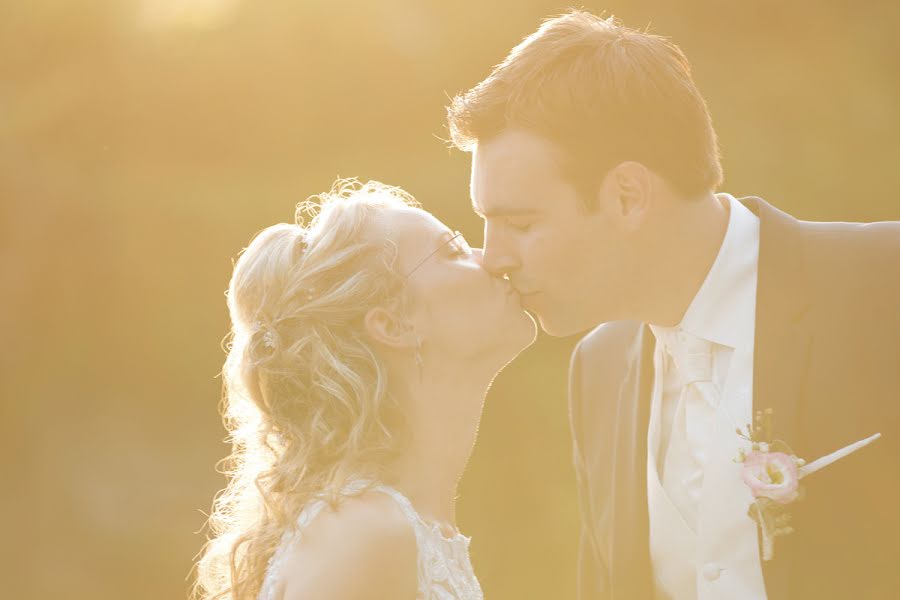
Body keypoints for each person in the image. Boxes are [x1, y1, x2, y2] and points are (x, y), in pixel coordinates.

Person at [446, 9, 900, 600]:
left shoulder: (881, 281)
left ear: (628, 195)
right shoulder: (598, 370)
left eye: (519, 222)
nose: (493, 258)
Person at [193, 180, 536, 600]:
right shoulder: (366, 535)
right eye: (452, 250)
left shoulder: (397, 526)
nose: (490, 260)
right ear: (393, 325)